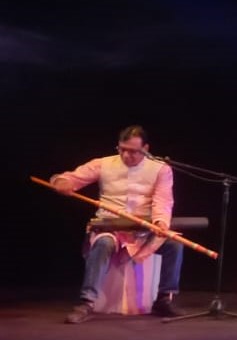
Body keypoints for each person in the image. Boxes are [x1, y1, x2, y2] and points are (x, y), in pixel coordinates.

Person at [50, 125, 185, 324]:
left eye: (132, 151)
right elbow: (70, 178)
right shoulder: (102, 164)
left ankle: (164, 299)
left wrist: (160, 222)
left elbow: (163, 200)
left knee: (175, 244)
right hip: (110, 227)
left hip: (144, 230)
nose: (126, 155)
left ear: (146, 148)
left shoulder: (161, 169)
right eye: (122, 149)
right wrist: (62, 182)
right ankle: (87, 302)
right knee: (103, 244)